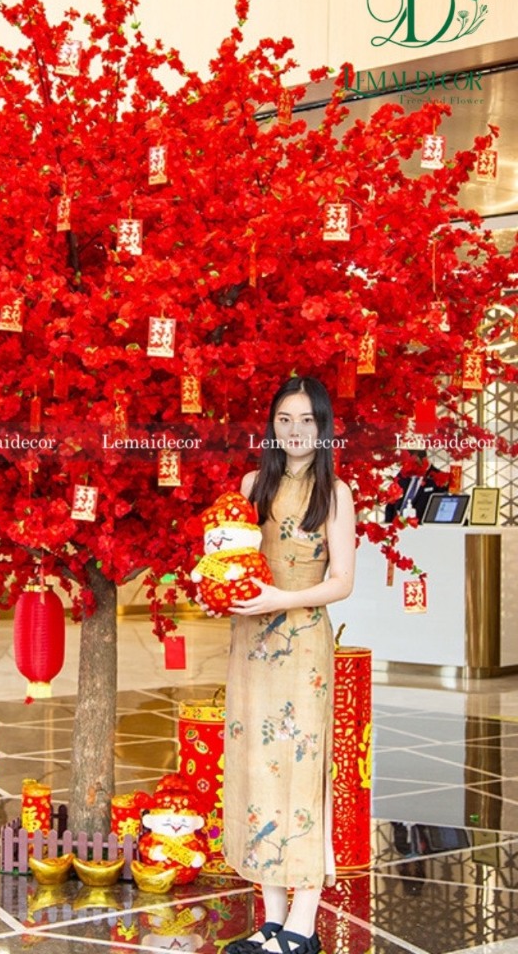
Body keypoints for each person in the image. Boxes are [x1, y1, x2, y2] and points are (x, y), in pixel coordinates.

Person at [223, 376, 356, 954]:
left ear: (323, 428)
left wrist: (281, 598)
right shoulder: (252, 485)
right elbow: (231, 556)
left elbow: (342, 583)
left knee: (300, 773)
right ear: (271, 424)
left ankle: (304, 923)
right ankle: (272, 920)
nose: (295, 430)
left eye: (307, 420)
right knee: (257, 769)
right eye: (284, 418)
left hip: (302, 649)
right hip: (250, 643)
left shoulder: (336, 494)